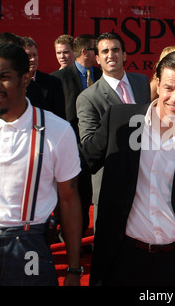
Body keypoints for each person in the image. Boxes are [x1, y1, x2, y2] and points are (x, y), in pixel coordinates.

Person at [79, 50, 175, 286]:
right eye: (168, 87)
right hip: (122, 260)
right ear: (156, 83)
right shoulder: (120, 120)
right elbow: (81, 165)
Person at [0, 43, 83, 286]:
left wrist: (74, 269)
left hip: (29, 245)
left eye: (4, 77)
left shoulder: (58, 131)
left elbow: (69, 200)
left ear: (25, 79)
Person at [76, 32, 150, 232]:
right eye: (105, 51)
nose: (111, 55)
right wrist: (117, 119)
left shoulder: (142, 82)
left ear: (125, 55)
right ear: (97, 59)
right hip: (111, 186)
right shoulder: (88, 98)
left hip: (146, 181)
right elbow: (89, 146)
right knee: (107, 253)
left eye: (116, 49)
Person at [52, 34, 102, 239]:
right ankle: (71, 238)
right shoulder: (58, 78)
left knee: (93, 195)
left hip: (99, 146)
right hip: (71, 148)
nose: (99, 55)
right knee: (75, 195)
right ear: (85, 52)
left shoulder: (101, 75)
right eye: (96, 50)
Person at [22, 36, 66, 119]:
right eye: (28, 56)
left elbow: (60, 117)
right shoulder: (13, 84)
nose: (33, 59)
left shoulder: (53, 83)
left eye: (35, 55)